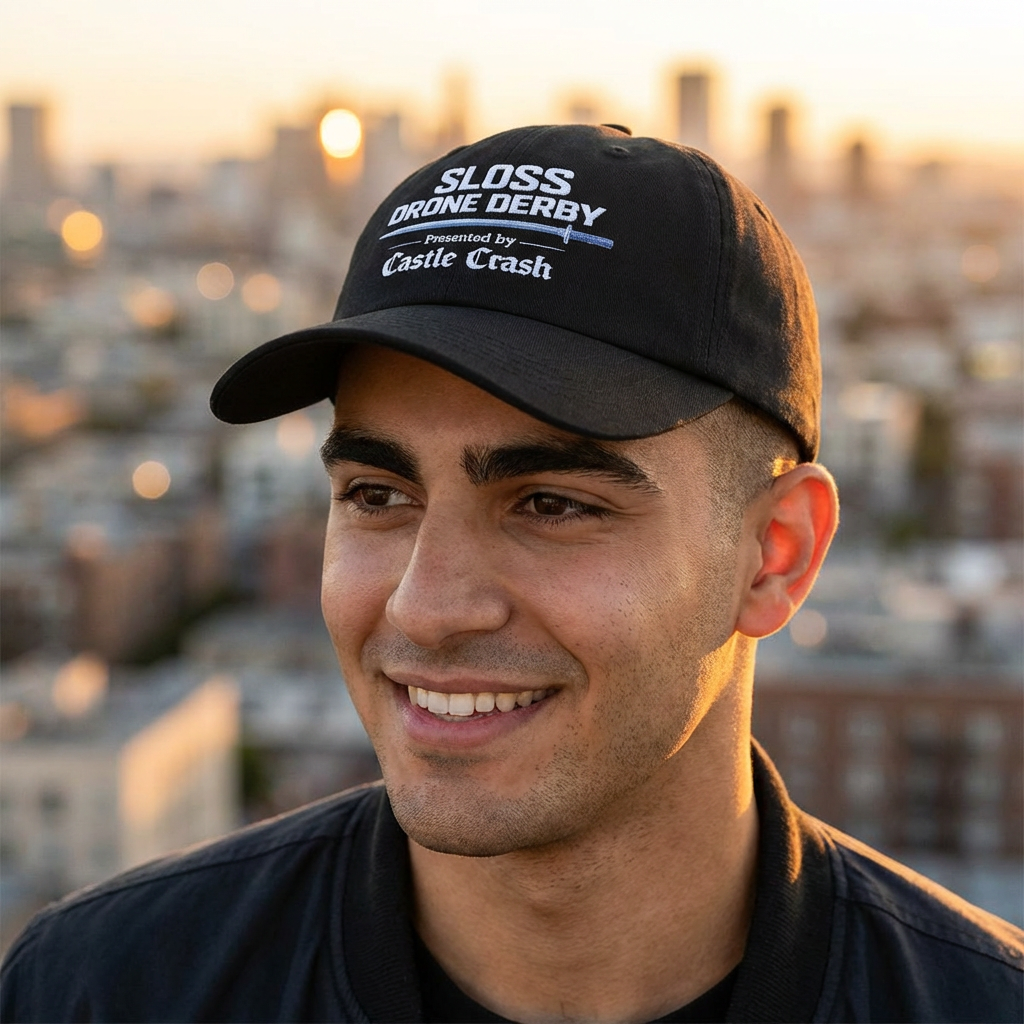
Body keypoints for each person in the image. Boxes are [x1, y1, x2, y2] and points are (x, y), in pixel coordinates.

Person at [2, 124, 1021, 1024]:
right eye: (375, 495)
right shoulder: (106, 989)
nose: (425, 605)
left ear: (775, 553)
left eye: (551, 504)